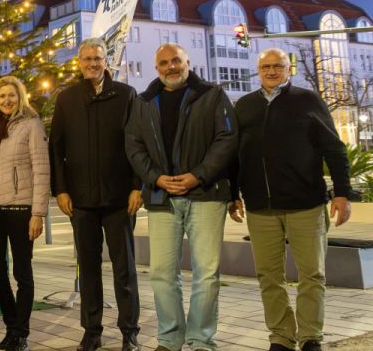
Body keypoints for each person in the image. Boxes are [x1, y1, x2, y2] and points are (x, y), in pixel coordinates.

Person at [229, 48, 352, 351]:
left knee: (312, 273)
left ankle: (310, 336)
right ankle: (281, 337)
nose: (271, 71)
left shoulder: (308, 101)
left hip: (306, 204)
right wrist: (233, 194)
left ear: (289, 69)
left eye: (278, 66)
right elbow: (233, 155)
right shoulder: (244, 106)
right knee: (269, 277)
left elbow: (334, 149)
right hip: (261, 207)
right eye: (266, 67)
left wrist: (342, 193)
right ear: (258, 70)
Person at [125, 43, 238, 351]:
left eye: (176, 60)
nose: (171, 66)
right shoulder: (144, 101)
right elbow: (133, 146)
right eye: (164, 62)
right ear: (156, 67)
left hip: (206, 194)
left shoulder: (213, 95)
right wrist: (155, 178)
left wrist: (198, 175)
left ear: (188, 62)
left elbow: (227, 139)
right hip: (162, 197)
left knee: (207, 273)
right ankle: (170, 339)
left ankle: (201, 339)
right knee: (161, 273)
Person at [49, 38, 143, 351]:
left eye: (98, 58)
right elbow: (56, 147)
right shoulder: (67, 98)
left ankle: (129, 331)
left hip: (119, 199)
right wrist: (60, 189)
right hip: (81, 201)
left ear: (107, 61)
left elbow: (137, 144)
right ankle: (92, 331)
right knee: (88, 269)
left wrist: (136, 186)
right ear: (79, 62)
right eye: (87, 58)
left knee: (124, 269)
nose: (93, 63)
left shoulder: (126, 95)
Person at [0, 75, 50, 351]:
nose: (7, 100)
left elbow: (42, 170)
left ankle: (21, 333)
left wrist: (38, 213)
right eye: (1, 96)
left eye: (11, 95)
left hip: (20, 209)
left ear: (20, 97)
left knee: (22, 272)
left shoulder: (32, 125)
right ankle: (12, 325)